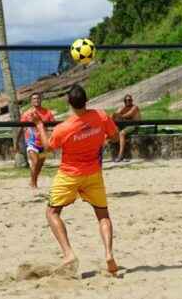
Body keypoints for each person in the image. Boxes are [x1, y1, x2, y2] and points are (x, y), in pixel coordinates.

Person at [29, 85, 120, 276]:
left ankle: (69, 253)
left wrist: (39, 125)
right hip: (93, 173)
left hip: (69, 175)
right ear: (86, 100)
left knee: (52, 213)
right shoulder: (101, 116)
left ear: (69, 103)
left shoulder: (65, 128)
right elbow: (115, 136)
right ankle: (109, 254)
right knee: (103, 216)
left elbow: (48, 147)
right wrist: (102, 140)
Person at [18, 93, 55, 189]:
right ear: (31, 101)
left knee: (40, 164)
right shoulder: (26, 114)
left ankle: (33, 180)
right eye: (34, 98)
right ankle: (33, 183)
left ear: (41, 99)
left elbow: (53, 126)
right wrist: (17, 142)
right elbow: (21, 128)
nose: (36, 100)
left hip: (44, 143)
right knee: (35, 162)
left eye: (38, 98)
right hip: (31, 142)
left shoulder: (48, 112)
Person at [112, 94, 140, 162]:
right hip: (125, 125)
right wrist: (114, 115)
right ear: (124, 101)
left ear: (132, 101)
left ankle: (120, 155)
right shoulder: (122, 107)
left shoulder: (135, 107)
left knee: (122, 133)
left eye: (130, 100)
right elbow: (115, 114)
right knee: (113, 131)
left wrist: (118, 115)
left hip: (134, 125)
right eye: (126, 100)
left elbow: (129, 114)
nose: (128, 102)